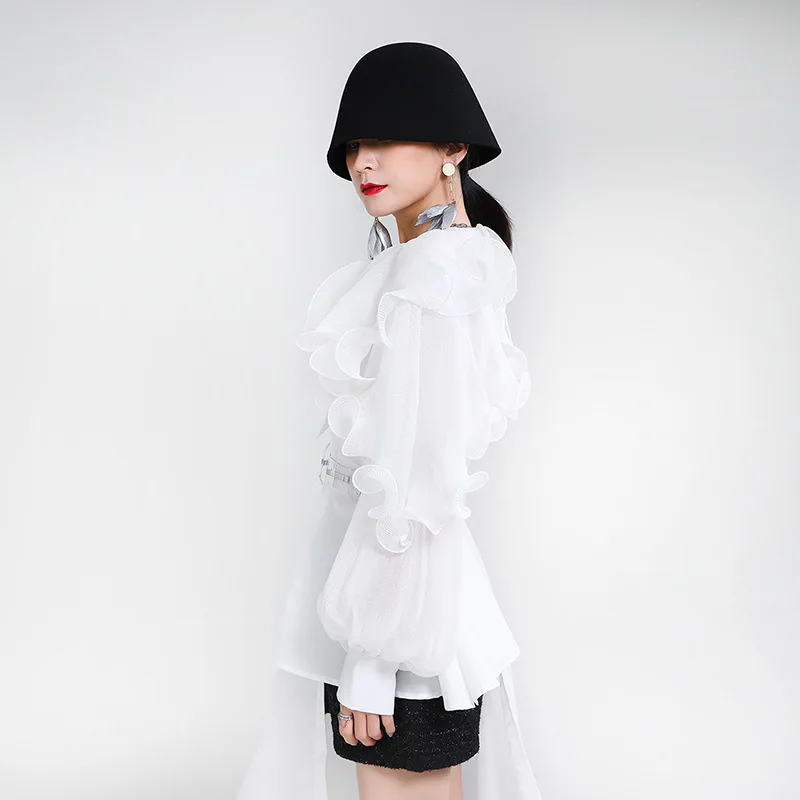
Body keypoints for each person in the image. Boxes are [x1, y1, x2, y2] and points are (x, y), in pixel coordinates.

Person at [237, 42, 543, 800]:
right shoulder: (447, 262)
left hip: (400, 624)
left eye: (385, 138)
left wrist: (374, 662)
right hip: (404, 605)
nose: (362, 162)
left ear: (453, 149)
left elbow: (417, 479)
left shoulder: (431, 275)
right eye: (352, 145)